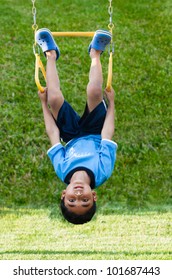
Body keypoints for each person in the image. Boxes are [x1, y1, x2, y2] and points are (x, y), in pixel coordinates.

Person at [36, 28, 117, 224]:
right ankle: (95, 53)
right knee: (94, 91)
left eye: (72, 200)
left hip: (71, 136)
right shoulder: (102, 171)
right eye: (85, 200)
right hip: (96, 131)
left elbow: (53, 133)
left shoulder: (62, 169)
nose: (78, 195)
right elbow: (107, 134)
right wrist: (112, 104)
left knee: (53, 98)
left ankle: (50, 54)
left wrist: (43, 103)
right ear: (94, 196)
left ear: (64, 194)